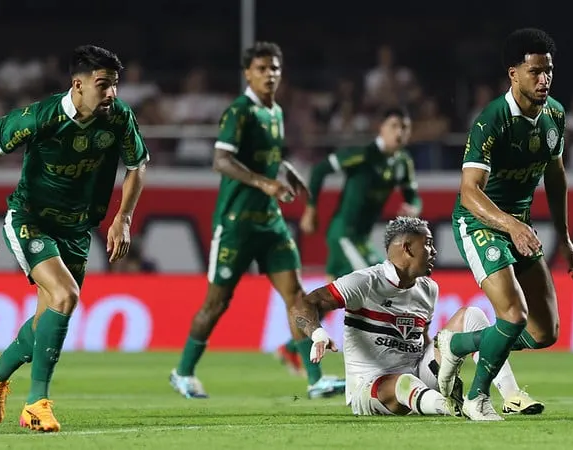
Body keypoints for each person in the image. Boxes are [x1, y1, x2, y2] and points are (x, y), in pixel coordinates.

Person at [0, 45, 150, 432]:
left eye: (115, 85)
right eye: (103, 85)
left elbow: (137, 165)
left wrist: (124, 217)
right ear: (78, 85)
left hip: (76, 229)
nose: (112, 94)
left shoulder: (118, 117)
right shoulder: (43, 116)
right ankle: (36, 404)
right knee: (66, 296)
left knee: (44, 322)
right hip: (31, 220)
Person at [170, 42, 345, 400]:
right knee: (216, 304)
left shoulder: (275, 112)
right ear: (248, 73)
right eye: (263, 69)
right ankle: (183, 371)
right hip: (236, 224)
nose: (270, 75)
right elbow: (221, 160)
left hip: (270, 223)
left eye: (275, 69)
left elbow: (266, 157)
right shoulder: (240, 112)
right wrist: (264, 182)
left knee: (297, 297)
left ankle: (315, 380)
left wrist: (285, 169)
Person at [436, 28, 573, 421]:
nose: (544, 79)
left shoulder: (555, 114)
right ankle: (477, 399)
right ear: (513, 74)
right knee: (513, 315)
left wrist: (565, 239)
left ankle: (455, 344)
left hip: (519, 226)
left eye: (548, 71)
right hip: (479, 222)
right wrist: (511, 226)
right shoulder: (492, 121)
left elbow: (555, 177)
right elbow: (469, 191)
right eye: (535, 71)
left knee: (543, 332)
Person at [288, 217, 543, 416]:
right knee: (404, 382)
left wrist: (446, 363)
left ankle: (512, 396)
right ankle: (454, 407)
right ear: (408, 248)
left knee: (473, 315)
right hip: (372, 386)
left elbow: (423, 339)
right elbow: (303, 304)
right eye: (428, 244)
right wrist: (318, 333)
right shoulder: (365, 282)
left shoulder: (427, 288)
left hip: (418, 371)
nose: (434, 251)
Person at [274, 108, 422, 375]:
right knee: (378, 282)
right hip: (344, 234)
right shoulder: (363, 155)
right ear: (381, 128)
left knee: (332, 300)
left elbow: (413, 195)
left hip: (360, 239)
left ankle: (291, 347)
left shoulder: (402, 163)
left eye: (405, 127)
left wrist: (412, 206)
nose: (400, 132)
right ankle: (380, 359)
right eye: (394, 126)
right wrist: (310, 208)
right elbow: (320, 170)